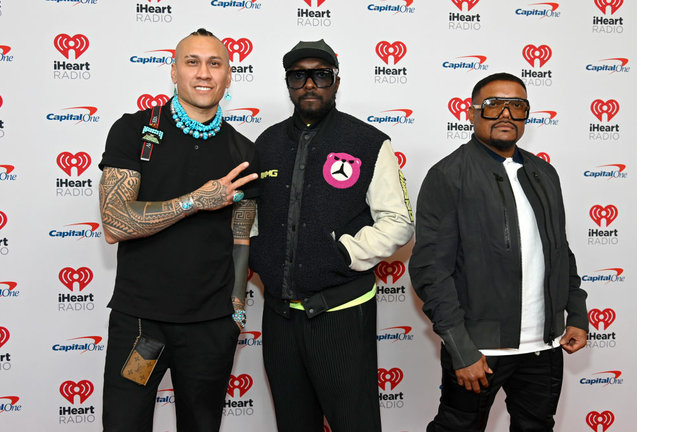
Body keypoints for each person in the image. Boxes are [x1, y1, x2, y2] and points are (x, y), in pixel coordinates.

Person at [248, 39, 415, 432]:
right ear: (288, 83)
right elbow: (250, 216)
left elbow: (399, 221)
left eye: (320, 74)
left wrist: (346, 254)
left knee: (353, 423)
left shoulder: (370, 142)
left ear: (336, 82)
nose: (310, 84)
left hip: (340, 315)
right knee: (293, 423)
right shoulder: (265, 144)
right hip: (279, 319)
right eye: (298, 75)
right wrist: (258, 256)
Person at [97, 28, 259, 432]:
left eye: (215, 63)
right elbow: (114, 222)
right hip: (142, 325)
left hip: (211, 328)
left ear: (228, 75)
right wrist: (194, 201)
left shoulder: (244, 151)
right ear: (173, 71)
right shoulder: (136, 130)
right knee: (125, 425)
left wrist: (236, 307)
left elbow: (241, 238)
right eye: (192, 62)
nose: (203, 73)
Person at [409, 72, 589, 432]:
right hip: (480, 350)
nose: (506, 113)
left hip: (545, 346)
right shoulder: (449, 175)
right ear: (472, 112)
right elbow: (431, 270)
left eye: (517, 105)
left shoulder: (544, 173)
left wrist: (577, 312)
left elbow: (559, 250)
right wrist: (461, 348)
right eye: (493, 105)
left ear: (526, 115)